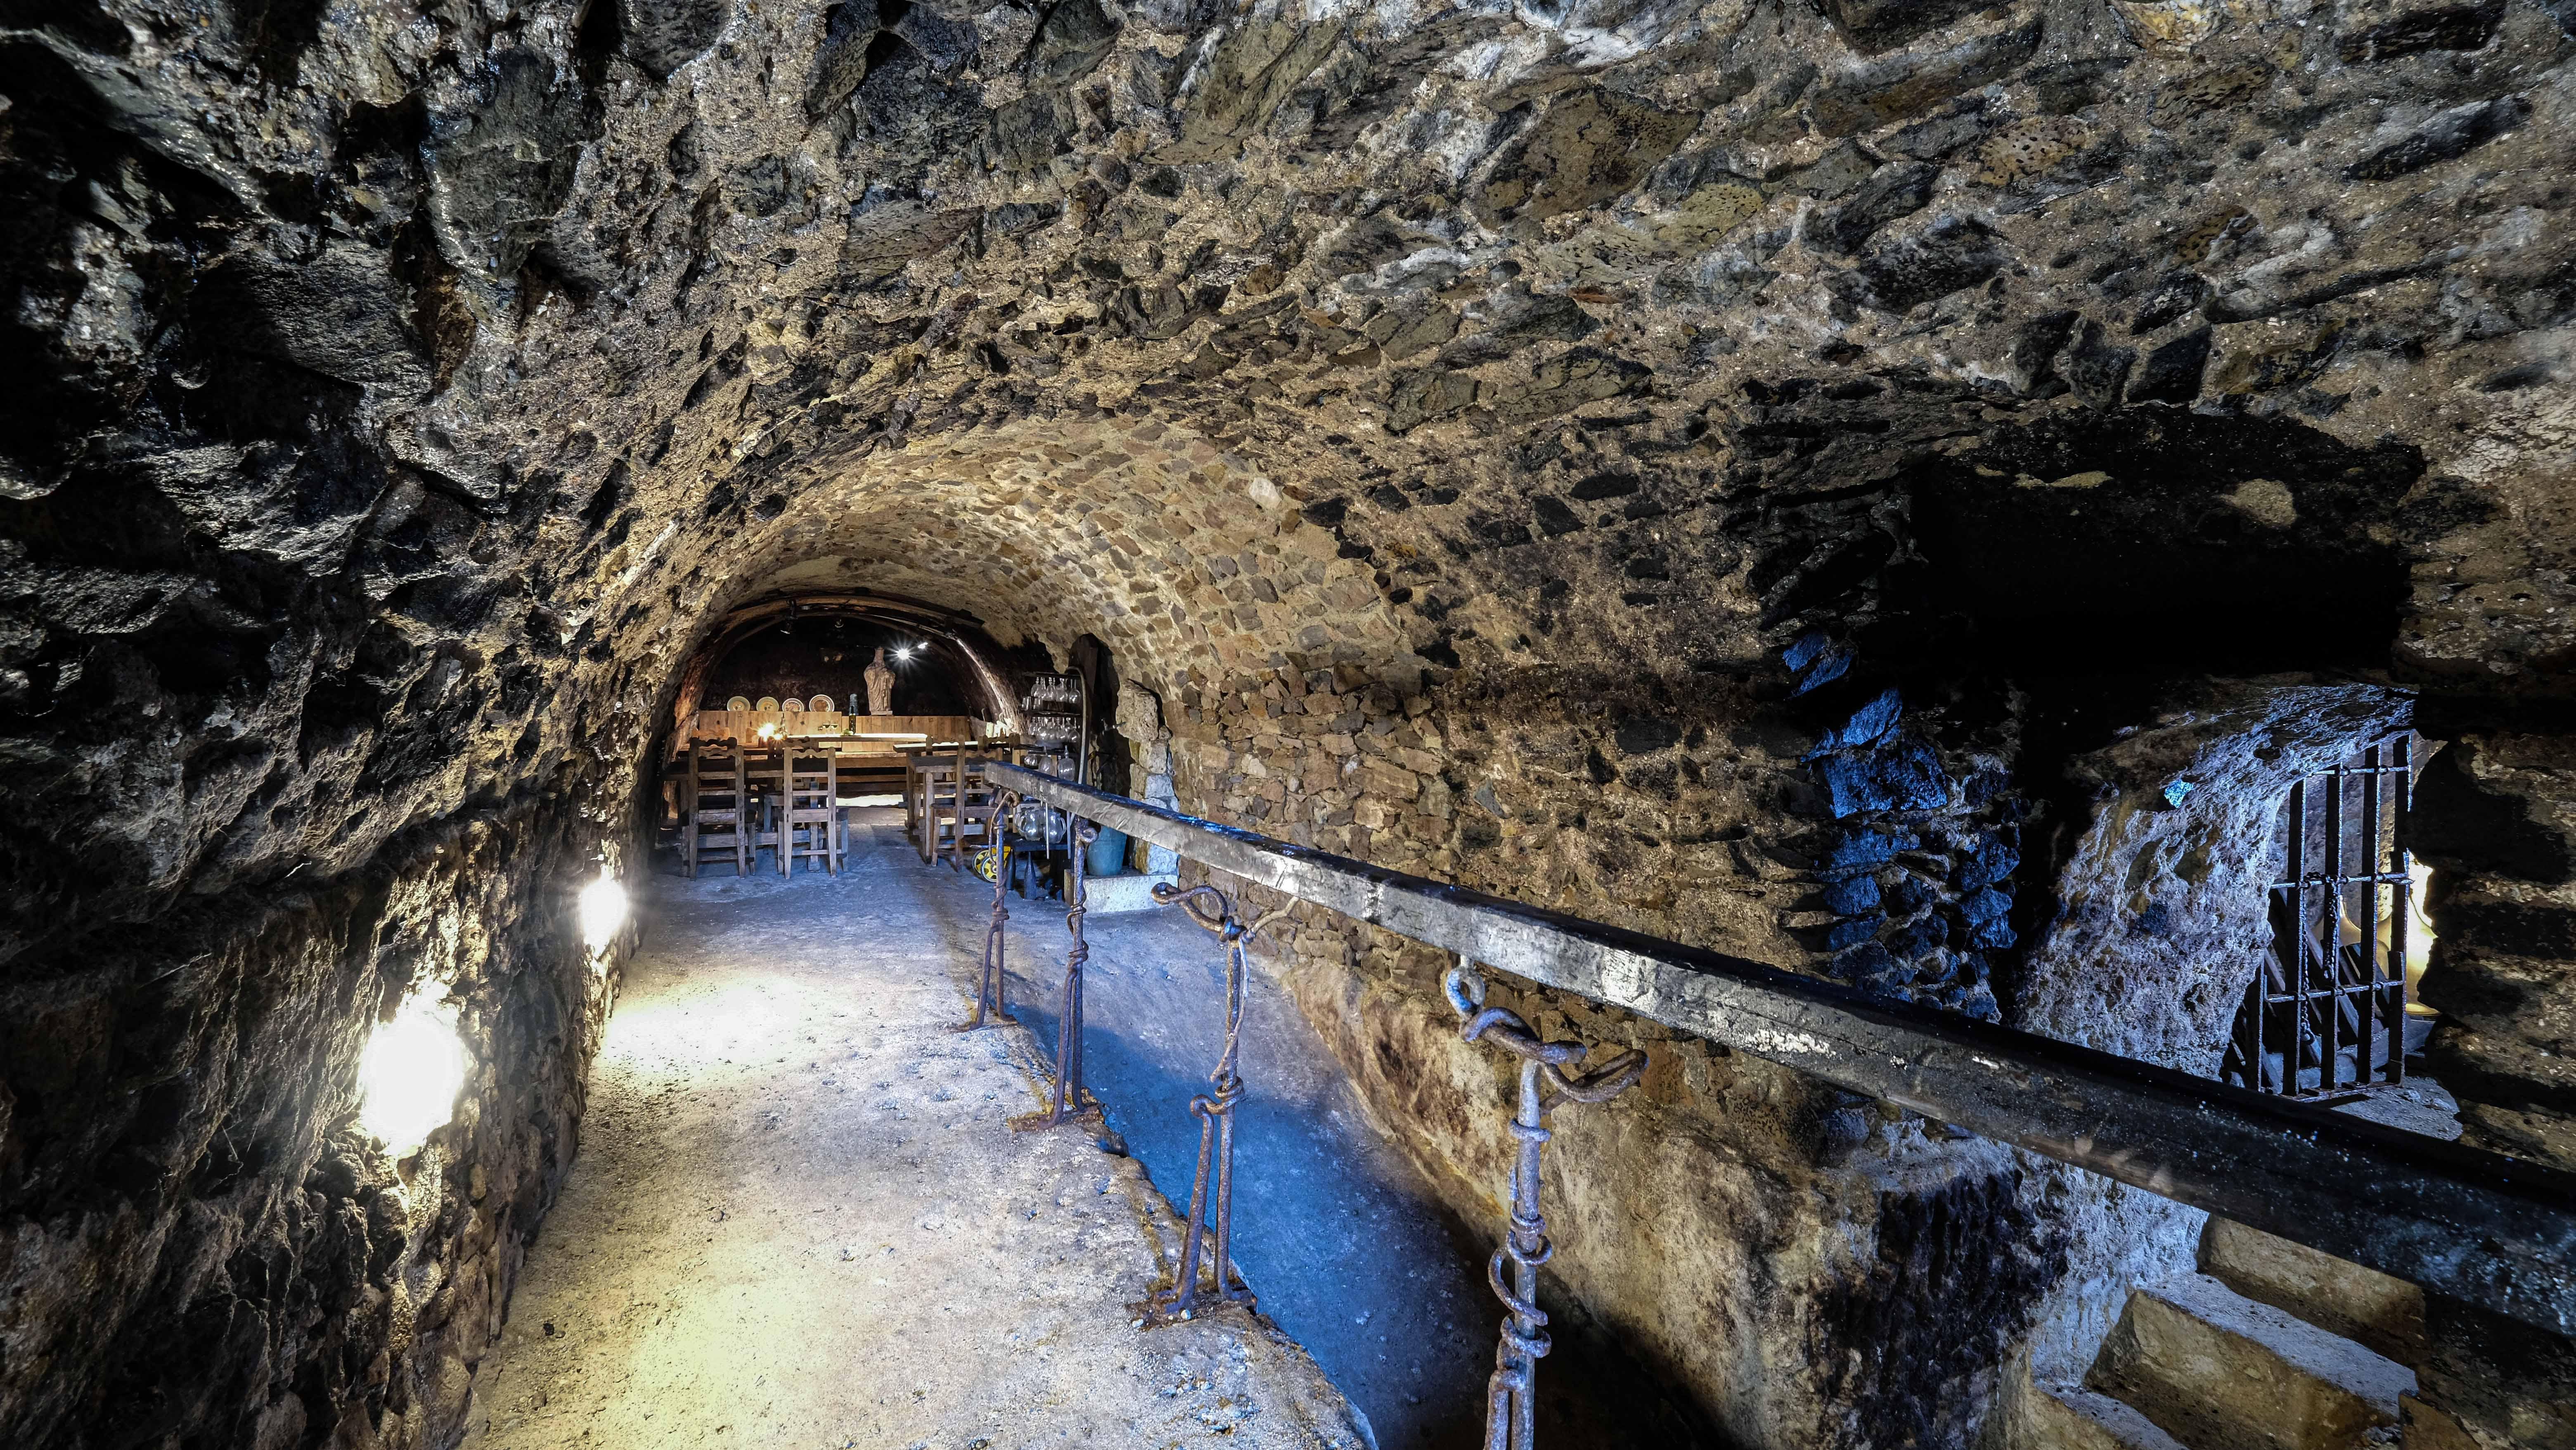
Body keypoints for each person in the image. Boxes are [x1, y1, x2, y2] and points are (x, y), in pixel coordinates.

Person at [864, 647, 895, 716]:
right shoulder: (872, 666)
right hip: (876, 688)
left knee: (886, 697)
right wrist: (878, 671)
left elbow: (893, 675)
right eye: (879, 655)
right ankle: (876, 708)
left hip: (885, 687)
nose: (880, 657)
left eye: (882, 655)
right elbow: (867, 674)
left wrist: (888, 674)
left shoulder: (886, 666)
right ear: (876, 655)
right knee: (876, 699)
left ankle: (886, 707)